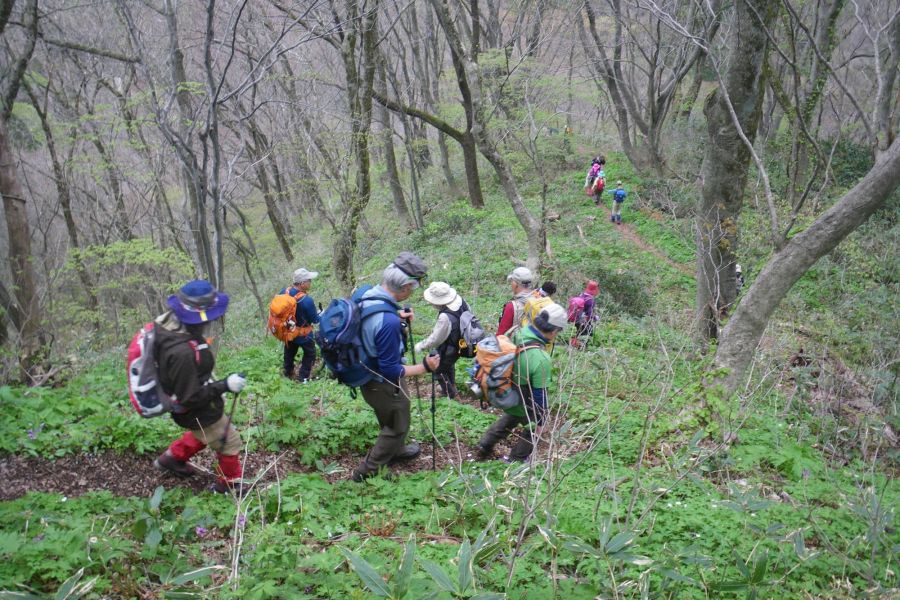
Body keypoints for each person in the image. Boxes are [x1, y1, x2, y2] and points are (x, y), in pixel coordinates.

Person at [351, 252, 441, 482]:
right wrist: (425, 367)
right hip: (381, 380)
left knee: (389, 414)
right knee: (398, 422)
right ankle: (368, 471)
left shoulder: (369, 295)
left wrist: (396, 314)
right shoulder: (388, 323)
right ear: (403, 287)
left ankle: (397, 449)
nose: (412, 292)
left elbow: (373, 320)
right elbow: (391, 369)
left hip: (365, 374)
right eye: (412, 288)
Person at [152, 280, 247, 494]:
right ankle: (228, 485)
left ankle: (171, 458)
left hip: (190, 407)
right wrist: (225, 385)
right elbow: (190, 397)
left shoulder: (177, 327)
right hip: (195, 408)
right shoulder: (182, 352)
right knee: (230, 441)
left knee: (203, 434)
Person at [476, 303, 568, 462]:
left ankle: (485, 444)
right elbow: (540, 394)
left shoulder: (520, 332)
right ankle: (516, 459)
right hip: (526, 399)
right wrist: (541, 421)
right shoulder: (540, 359)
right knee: (531, 431)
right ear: (554, 331)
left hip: (509, 389)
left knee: (509, 419)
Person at [414, 281, 471, 400]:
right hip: (461, 342)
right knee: (448, 364)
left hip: (450, 345)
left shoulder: (445, 317)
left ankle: (451, 394)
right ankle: (452, 386)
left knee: (438, 369)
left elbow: (436, 339)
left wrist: (422, 345)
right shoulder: (461, 301)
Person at [281, 268, 320, 382]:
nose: (310, 282)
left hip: (288, 331)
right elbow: (315, 320)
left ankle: (288, 373)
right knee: (310, 354)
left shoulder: (284, 292)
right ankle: (303, 376)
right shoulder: (306, 300)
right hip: (303, 335)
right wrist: (320, 314)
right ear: (302, 283)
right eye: (309, 280)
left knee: (289, 352)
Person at [497, 267, 534, 336]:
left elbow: (501, 335)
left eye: (512, 281)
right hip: (537, 345)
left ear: (515, 284)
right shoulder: (539, 300)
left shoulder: (511, 306)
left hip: (517, 345)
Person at [570, 280, 599, 347]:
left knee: (578, 334)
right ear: (595, 289)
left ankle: (573, 347)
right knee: (587, 336)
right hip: (584, 322)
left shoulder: (582, 295)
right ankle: (579, 348)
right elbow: (590, 314)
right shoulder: (590, 300)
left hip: (577, 319)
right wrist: (595, 318)